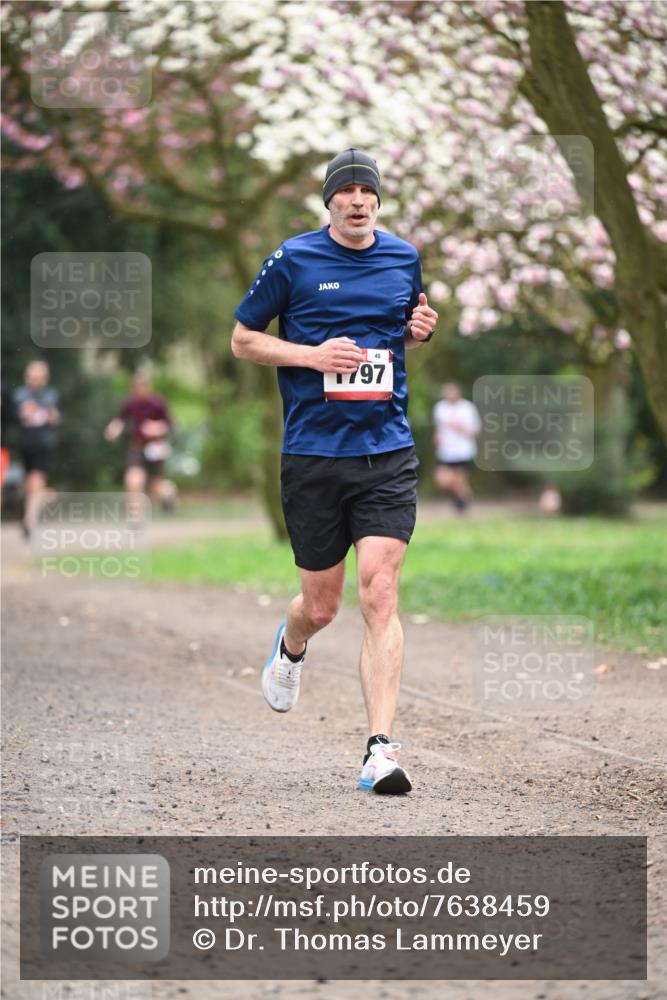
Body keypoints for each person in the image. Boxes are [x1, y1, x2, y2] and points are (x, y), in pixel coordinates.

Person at [232, 148, 439, 795]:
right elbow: (242, 338)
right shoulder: (293, 259)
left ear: (377, 199)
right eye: (344, 190)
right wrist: (311, 355)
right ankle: (290, 645)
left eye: (365, 190)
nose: (356, 199)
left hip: (385, 451)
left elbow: (394, 328)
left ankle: (379, 750)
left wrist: (418, 330)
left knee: (379, 592)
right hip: (314, 456)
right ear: (328, 200)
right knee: (321, 607)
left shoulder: (403, 258)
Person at [104, 371, 176, 516]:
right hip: (137, 447)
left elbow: (170, 425)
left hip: (155, 449)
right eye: (138, 386)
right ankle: (136, 519)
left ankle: (169, 494)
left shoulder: (158, 403)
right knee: (133, 480)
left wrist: (156, 428)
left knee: (156, 486)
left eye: (144, 385)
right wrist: (113, 429)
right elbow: (120, 420)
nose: (141, 389)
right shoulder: (130, 403)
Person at [12, 360, 60, 538]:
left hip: (44, 443)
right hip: (25, 443)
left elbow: (56, 418)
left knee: (36, 479)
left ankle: (29, 521)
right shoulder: (19, 395)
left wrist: (48, 415)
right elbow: (13, 417)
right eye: (33, 376)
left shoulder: (51, 396)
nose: (35, 380)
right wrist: (23, 413)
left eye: (39, 376)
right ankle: (42, 500)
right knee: (29, 484)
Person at [433, 382, 481, 513]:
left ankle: (462, 506)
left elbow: (474, 432)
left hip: (463, 451)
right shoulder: (440, 408)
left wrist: (460, 428)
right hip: (445, 451)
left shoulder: (467, 408)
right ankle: (462, 500)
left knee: (459, 483)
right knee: (442, 480)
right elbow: (439, 428)